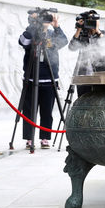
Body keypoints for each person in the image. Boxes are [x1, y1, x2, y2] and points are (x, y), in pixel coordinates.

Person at [19, 11, 68, 149]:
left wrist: (56, 26)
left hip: (49, 78)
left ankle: (45, 138)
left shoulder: (53, 34)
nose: (46, 21)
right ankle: (29, 138)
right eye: (43, 19)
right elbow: (23, 42)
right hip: (31, 77)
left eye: (48, 19)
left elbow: (64, 41)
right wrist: (33, 25)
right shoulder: (32, 32)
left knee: (47, 111)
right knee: (28, 110)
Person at [68, 10, 105, 96]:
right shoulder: (81, 35)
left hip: (101, 75)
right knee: (83, 101)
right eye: (89, 19)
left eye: (94, 19)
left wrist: (97, 31)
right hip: (84, 75)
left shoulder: (103, 33)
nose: (92, 21)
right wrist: (78, 30)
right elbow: (72, 47)